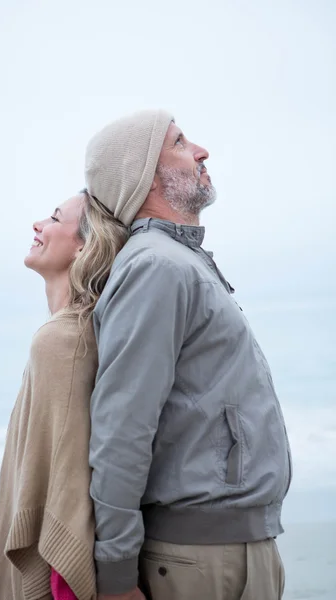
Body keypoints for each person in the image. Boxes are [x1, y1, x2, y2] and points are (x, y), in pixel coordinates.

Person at [84, 110, 292, 600]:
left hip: (232, 547)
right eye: (179, 143)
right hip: (200, 559)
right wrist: (115, 575)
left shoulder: (180, 261)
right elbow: (123, 426)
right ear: (144, 176)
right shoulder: (157, 266)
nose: (201, 151)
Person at [0, 190, 129, 600]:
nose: (38, 224)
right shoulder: (78, 331)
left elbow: (66, 482)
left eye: (53, 217)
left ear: (84, 244)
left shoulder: (64, 339)